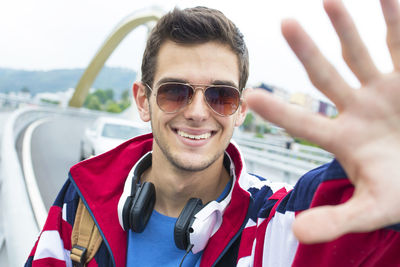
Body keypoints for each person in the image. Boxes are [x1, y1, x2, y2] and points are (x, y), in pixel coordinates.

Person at [25, 0, 400, 266]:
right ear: (143, 100)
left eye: (221, 96)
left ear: (239, 110)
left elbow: (366, 236)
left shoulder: (277, 223)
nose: (198, 112)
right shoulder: (83, 198)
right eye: (175, 91)